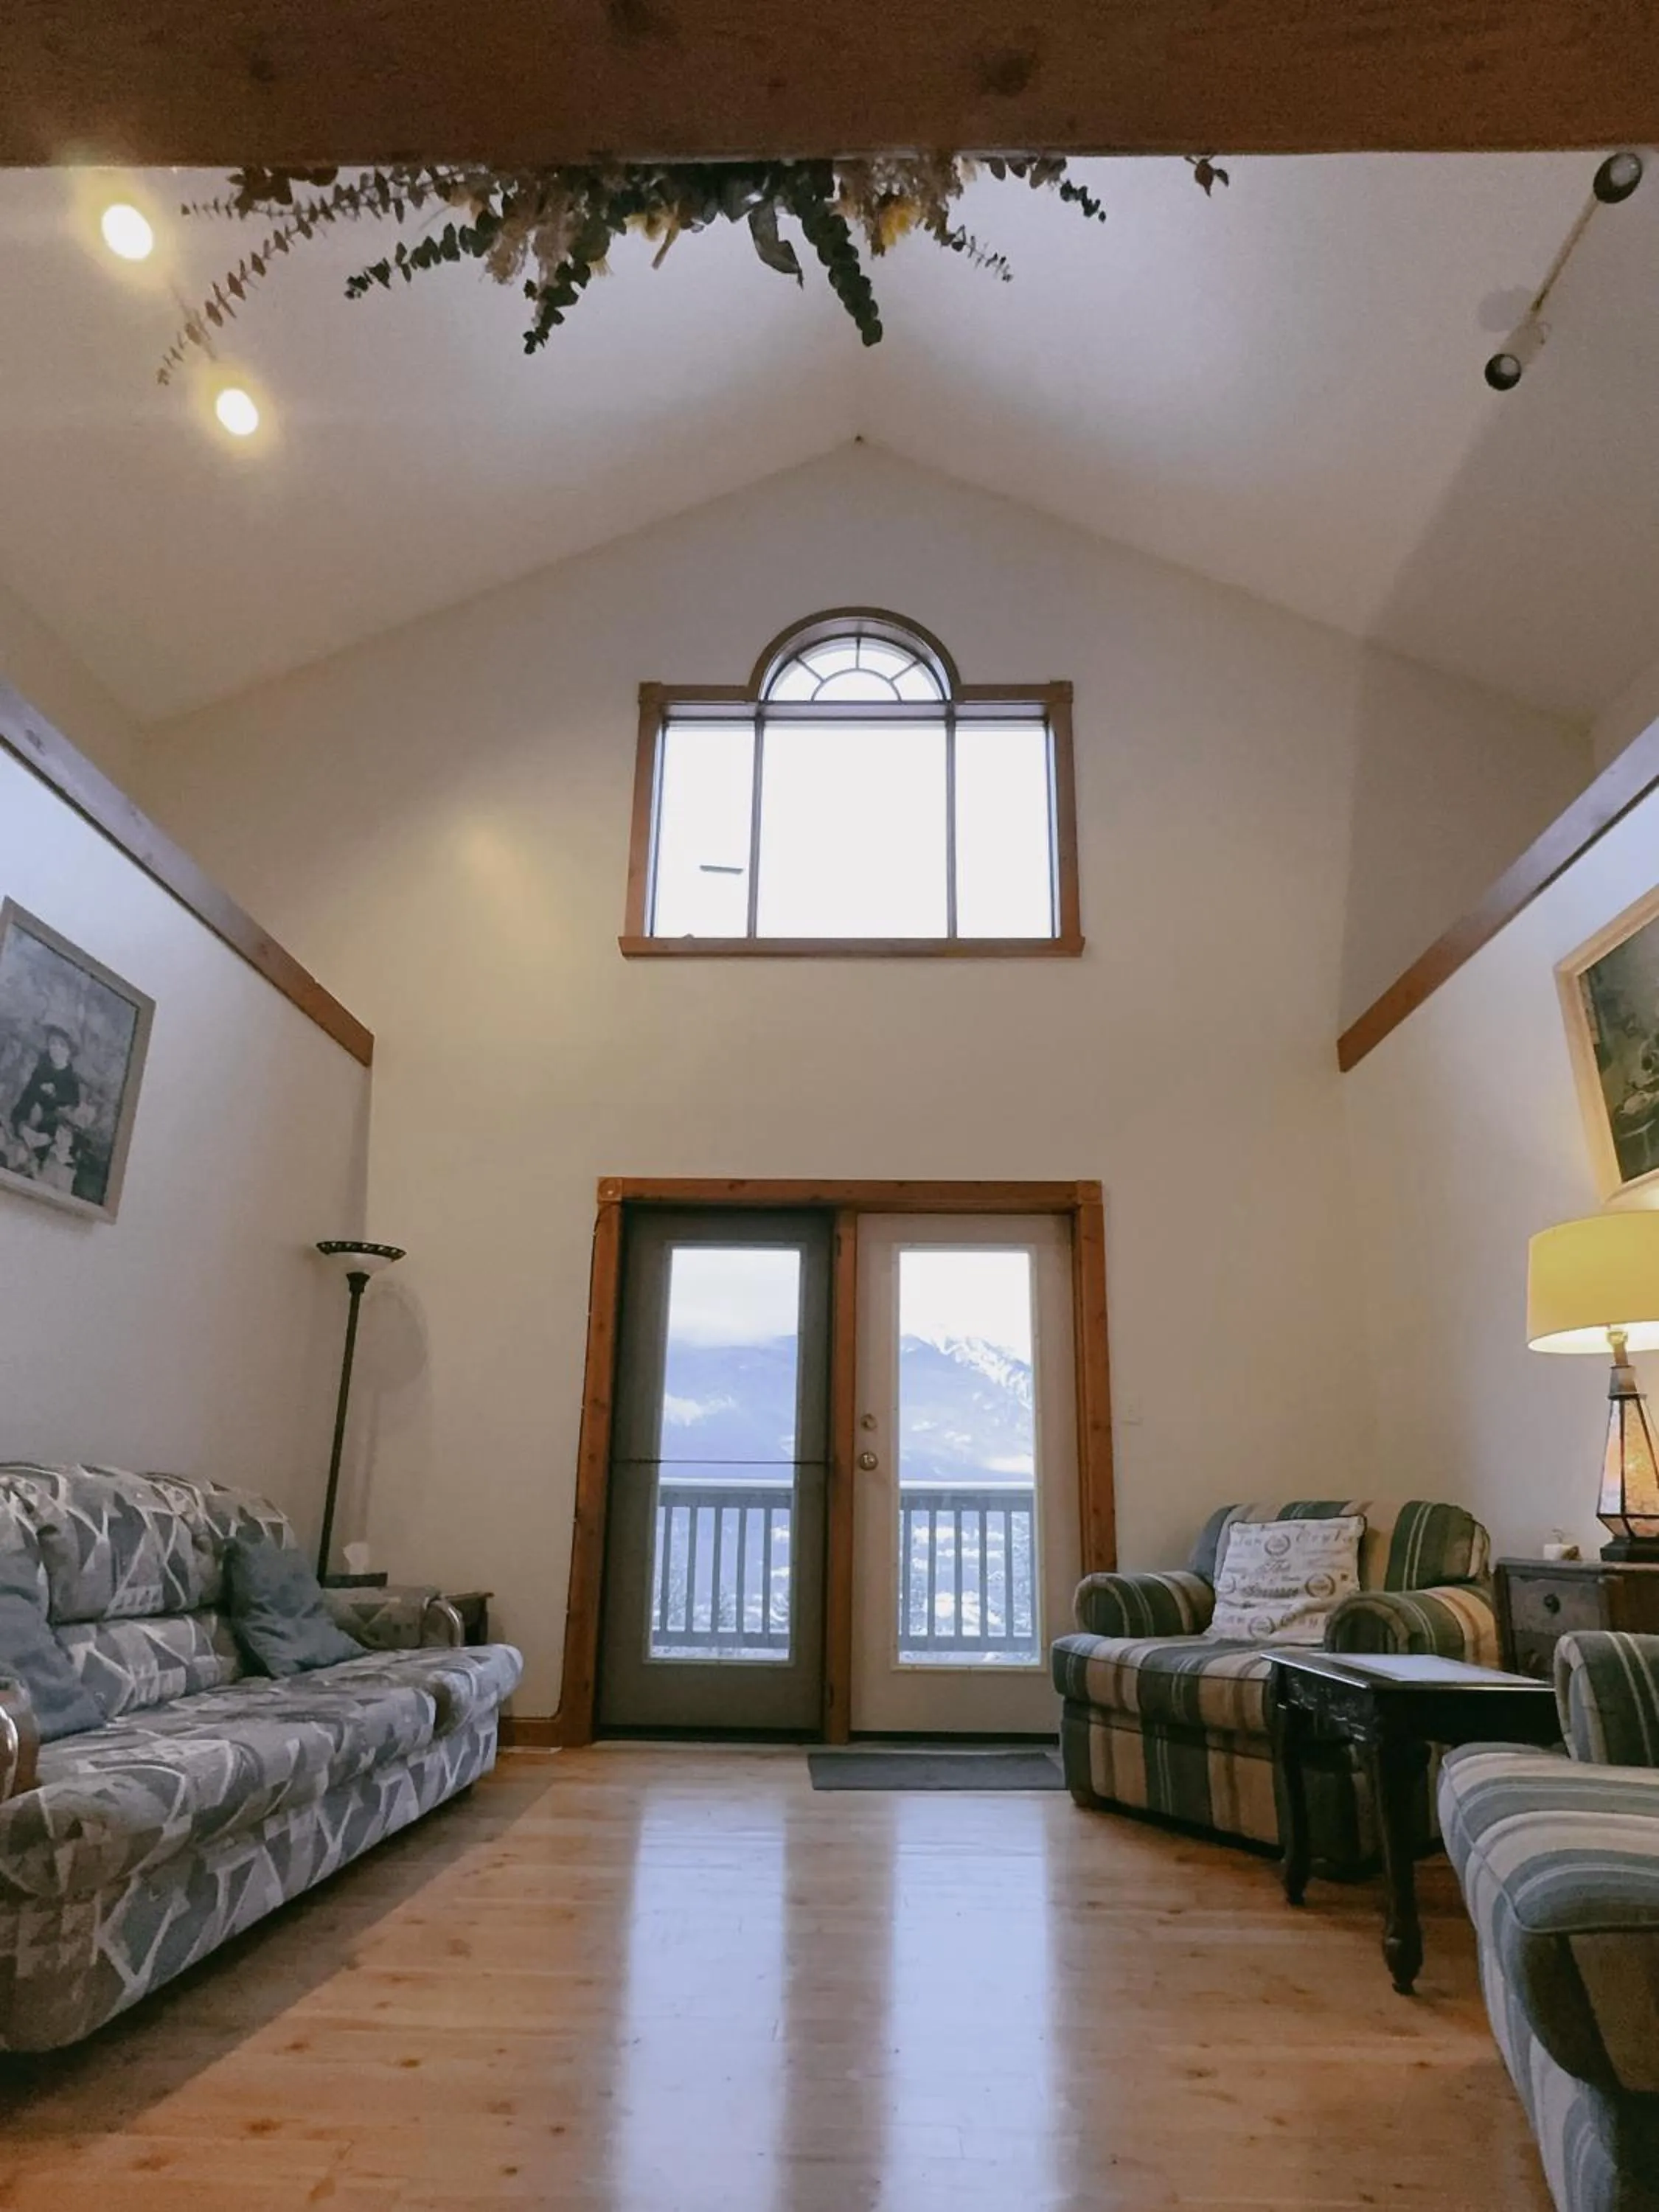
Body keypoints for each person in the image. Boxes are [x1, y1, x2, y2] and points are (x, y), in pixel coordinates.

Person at [7, 1027, 82, 1177]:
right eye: (52, 1043)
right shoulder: (40, 1072)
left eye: (62, 1045)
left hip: (50, 1143)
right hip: (27, 1133)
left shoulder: (72, 1083)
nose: (56, 1049)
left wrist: (47, 1138)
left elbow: (68, 1120)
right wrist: (22, 1127)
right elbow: (24, 1102)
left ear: (70, 1051)